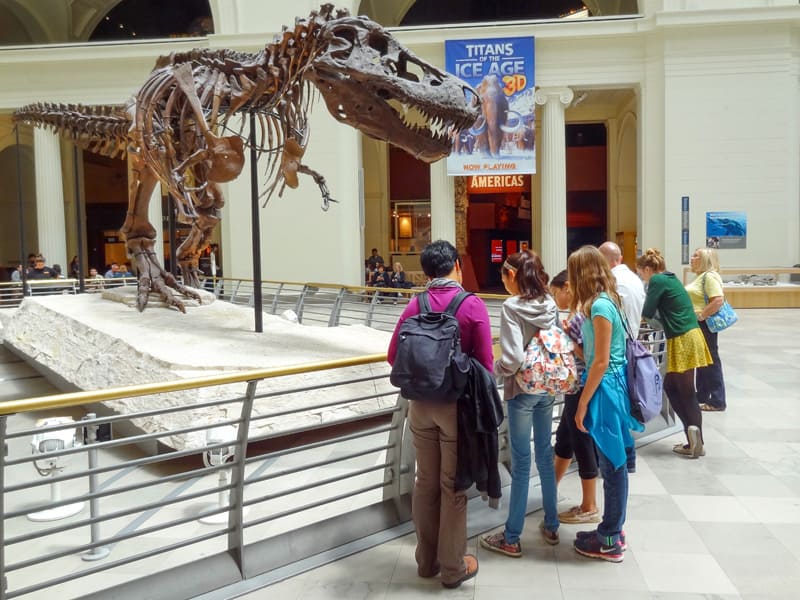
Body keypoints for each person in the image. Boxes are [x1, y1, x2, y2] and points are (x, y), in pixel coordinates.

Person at [387, 240, 493, 589]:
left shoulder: (414, 304)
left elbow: (393, 356)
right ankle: (452, 568)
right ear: (457, 267)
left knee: (425, 482)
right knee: (453, 487)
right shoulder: (471, 305)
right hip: (456, 410)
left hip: (419, 408)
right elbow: (486, 365)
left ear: (427, 271)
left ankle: (425, 562)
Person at [480, 249, 561, 558]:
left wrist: (494, 369)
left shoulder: (512, 307)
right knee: (544, 455)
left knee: (522, 462)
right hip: (548, 386)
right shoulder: (550, 303)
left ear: (511, 275)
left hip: (522, 391)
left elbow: (513, 359)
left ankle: (512, 536)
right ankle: (551, 523)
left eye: (504, 277)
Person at [569, 245, 644, 562]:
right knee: (612, 464)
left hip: (605, 390)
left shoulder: (599, 306)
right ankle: (610, 528)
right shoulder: (605, 303)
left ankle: (610, 538)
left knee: (612, 467)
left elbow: (600, 362)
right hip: (609, 387)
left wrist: (583, 403)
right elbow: (602, 354)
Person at [636, 248, 712, 458]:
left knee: (686, 392)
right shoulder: (671, 278)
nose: (641, 277)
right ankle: (693, 438)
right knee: (672, 386)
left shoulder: (657, 281)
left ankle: (696, 443)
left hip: (682, 338)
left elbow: (647, 311)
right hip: (688, 335)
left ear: (648, 269)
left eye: (641, 273)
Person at [548, 270, 600, 525]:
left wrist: (567, 339)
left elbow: (588, 356)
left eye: (555, 292)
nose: (555, 298)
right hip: (574, 387)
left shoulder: (579, 316)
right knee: (565, 439)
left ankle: (590, 505)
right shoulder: (580, 313)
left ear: (567, 287)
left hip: (580, 386)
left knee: (580, 441)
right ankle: (550, 490)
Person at [685, 247, 727, 411]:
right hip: (698, 323)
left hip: (704, 323)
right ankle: (702, 395)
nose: (692, 258)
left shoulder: (709, 277)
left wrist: (701, 315)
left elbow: (717, 300)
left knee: (711, 360)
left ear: (705, 260)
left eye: (696, 256)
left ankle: (718, 400)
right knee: (702, 360)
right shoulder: (700, 277)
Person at [598, 241, 645, 338]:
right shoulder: (635, 279)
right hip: (633, 338)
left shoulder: (610, 282)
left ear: (600, 261)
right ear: (621, 258)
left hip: (614, 342)